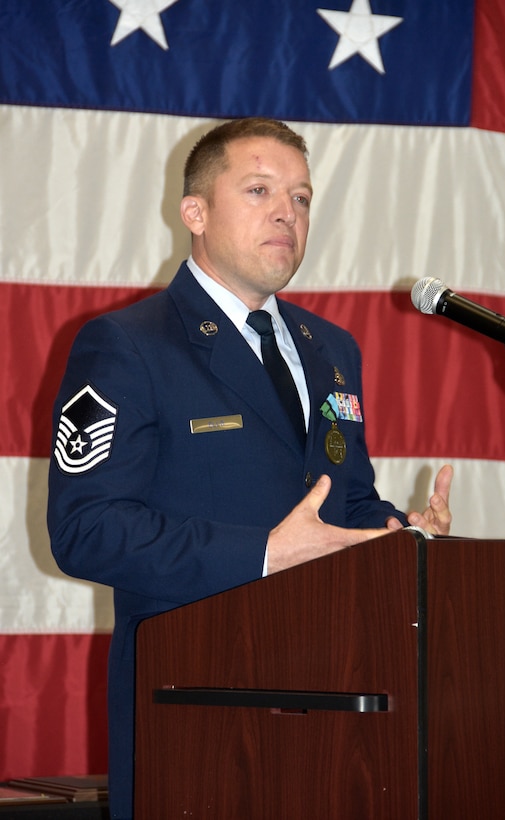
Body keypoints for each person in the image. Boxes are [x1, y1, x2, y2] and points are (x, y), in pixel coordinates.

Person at [48, 117, 453, 819]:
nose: (285, 213)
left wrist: (399, 536)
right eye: (259, 189)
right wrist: (264, 553)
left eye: (300, 198)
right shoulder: (126, 345)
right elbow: (86, 530)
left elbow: (343, 501)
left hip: (340, 695)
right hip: (197, 703)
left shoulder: (330, 349)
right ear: (194, 213)